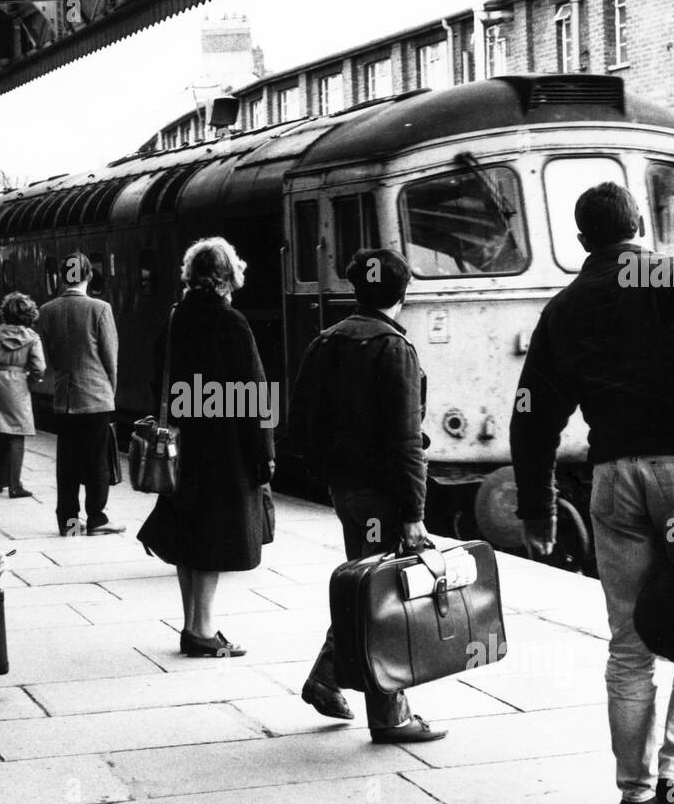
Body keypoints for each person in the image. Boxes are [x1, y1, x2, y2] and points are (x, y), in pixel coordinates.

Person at [509, 182, 674, 804]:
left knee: (629, 643)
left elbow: (531, 418)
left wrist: (538, 509)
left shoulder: (564, 307)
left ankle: (634, 787)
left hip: (613, 479)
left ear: (580, 241)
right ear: (642, 225)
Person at [286, 248, 445, 745]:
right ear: (404, 292)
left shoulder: (325, 342)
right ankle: (390, 715)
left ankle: (327, 677)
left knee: (368, 583)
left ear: (356, 289)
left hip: (346, 489)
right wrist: (413, 513)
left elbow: (300, 423)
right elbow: (404, 440)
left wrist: (331, 473)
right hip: (383, 495)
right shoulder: (393, 348)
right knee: (384, 597)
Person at [136, 238, 275, 657]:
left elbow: (158, 380)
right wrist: (263, 452)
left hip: (182, 446)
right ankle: (204, 630)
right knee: (213, 537)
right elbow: (253, 392)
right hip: (223, 449)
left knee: (188, 536)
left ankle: (191, 626)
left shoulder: (176, 319)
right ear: (229, 276)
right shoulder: (231, 322)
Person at [35, 252, 123, 536]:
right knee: (97, 458)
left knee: (67, 462)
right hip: (96, 397)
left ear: (63, 277)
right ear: (88, 276)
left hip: (63, 398)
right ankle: (97, 518)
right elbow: (110, 356)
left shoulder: (47, 310)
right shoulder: (100, 309)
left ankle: (69, 522)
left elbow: (49, 354)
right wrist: (111, 389)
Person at [0, 292, 46, 497]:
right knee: (17, 436)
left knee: (1, 432)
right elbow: (39, 367)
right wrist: (31, 381)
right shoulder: (32, 338)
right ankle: (15, 485)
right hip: (19, 384)